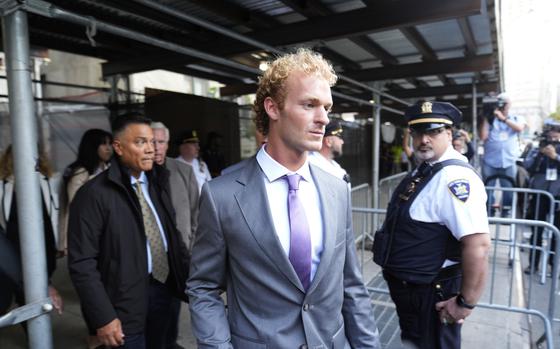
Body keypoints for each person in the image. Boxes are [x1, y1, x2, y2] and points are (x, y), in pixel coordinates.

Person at [187, 48, 380, 348]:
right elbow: (203, 287)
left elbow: (351, 284)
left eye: (327, 107)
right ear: (273, 108)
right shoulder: (221, 195)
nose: (323, 119)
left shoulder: (337, 189)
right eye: (309, 105)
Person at [373, 101, 491, 349]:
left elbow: (478, 246)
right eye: (418, 132)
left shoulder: (455, 178)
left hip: (432, 295)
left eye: (433, 131)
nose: (424, 139)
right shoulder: (428, 169)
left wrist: (464, 303)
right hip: (414, 294)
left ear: (449, 134)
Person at [68, 113, 190, 349]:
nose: (149, 149)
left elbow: (172, 240)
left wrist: (194, 282)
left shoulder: (157, 184)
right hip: (122, 304)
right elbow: (82, 262)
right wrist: (103, 317)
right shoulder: (93, 194)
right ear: (119, 147)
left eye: (152, 142)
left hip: (165, 291)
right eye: (140, 142)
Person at [151, 121, 199, 349]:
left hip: (179, 254)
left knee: (174, 306)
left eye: (161, 142)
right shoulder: (140, 173)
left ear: (168, 144)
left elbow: (197, 213)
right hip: (151, 258)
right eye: (151, 141)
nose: (156, 147)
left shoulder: (183, 171)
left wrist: (192, 250)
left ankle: (170, 341)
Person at [0, 145, 63, 316]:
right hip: (12, 245)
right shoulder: (4, 185)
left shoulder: (47, 181)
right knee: (14, 293)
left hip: (44, 242)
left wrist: (60, 243)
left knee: (36, 290)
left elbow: (55, 214)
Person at [58, 128, 112, 259]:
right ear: (93, 146)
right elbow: (77, 204)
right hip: (82, 233)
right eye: (104, 143)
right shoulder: (80, 173)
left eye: (110, 143)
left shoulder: (109, 169)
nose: (109, 148)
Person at [479, 93, 526, 217]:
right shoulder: (489, 119)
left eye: (503, 103)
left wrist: (503, 118)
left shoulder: (516, 118)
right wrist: (486, 117)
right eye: (499, 103)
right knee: (488, 188)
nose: (501, 106)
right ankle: (489, 210)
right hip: (490, 161)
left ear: (509, 104)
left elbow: (520, 128)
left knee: (509, 189)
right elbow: (483, 137)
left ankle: (506, 210)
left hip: (509, 161)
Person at [522, 120, 560, 275]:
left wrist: (555, 156)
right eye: (551, 130)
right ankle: (533, 264)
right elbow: (527, 166)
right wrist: (540, 153)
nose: (553, 134)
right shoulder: (539, 147)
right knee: (537, 231)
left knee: (557, 233)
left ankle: (554, 265)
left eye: (556, 131)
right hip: (540, 194)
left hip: (558, 196)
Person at [309, 119, 350, 183]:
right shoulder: (311, 164)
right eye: (339, 137)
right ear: (328, 141)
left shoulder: (336, 166)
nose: (342, 142)